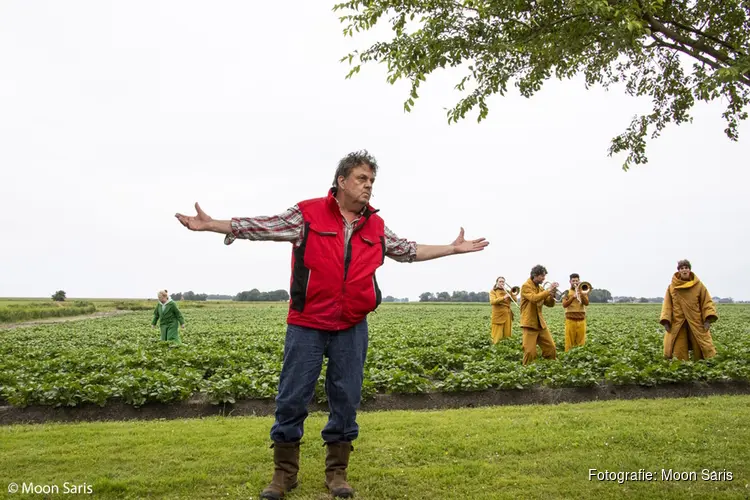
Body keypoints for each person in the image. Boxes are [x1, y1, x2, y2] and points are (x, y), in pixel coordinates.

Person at [174, 150, 489, 499]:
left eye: (372, 181)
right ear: (341, 181)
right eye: (361, 179)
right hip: (307, 323)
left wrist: (452, 249)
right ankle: (283, 474)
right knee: (292, 397)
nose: (368, 186)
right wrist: (213, 224)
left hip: (352, 326)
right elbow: (263, 226)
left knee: (346, 397)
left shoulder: (376, 226)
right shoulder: (308, 214)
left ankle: (337, 472)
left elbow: (408, 250)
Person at [660, 259, 718, 361]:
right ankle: (681, 366)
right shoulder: (671, 287)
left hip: (695, 320)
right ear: (678, 271)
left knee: (700, 345)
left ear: (690, 270)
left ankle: (702, 364)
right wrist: (666, 321)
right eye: (681, 268)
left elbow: (706, 302)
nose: (684, 270)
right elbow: (667, 305)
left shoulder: (699, 286)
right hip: (678, 322)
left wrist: (708, 319)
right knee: (679, 348)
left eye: (686, 268)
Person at [519, 265, 558, 365]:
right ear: (535, 276)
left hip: (540, 324)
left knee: (551, 348)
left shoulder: (540, 288)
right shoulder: (525, 286)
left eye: (544, 276)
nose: (544, 278)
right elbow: (534, 298)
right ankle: (526, 372)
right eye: (542, 276)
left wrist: (552, 294)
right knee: (529, 352)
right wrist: (548, 290)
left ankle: (548, 368)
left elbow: (549, 304)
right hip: (529, 324)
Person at [561, 273, 589, 351]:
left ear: (579, 281)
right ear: (570, 281)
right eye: (573, 281)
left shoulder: (583, 291)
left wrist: (582, 294)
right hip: (570, 320)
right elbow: (564, 305)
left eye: (577, 281)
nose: (575, 282)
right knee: (569, 341)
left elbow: (586, 303)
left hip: (581, 320)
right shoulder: (566, 292)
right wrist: (573, 297)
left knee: (581, 342)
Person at [489, 276, 516, 343]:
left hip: (507, 314)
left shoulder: (507, 291)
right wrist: (504, 297)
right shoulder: (493, 291)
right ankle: (495, 346)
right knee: (497, 334)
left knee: (507, 334)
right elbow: (492, 302)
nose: (502, 283)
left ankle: (506, 346)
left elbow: (515, 300)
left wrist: (512, 293)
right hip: (498, 315)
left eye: (503, 282)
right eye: (500, 281)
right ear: (497, 283)